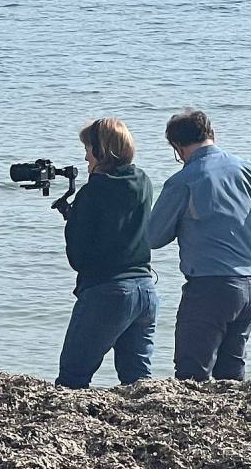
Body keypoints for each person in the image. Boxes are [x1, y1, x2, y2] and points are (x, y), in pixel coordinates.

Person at [147, 109, 251, 382]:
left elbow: (153, 237)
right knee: (232, 378)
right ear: (212, 134)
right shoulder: (250, 169)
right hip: (249, 286)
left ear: (177, 147)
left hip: (208, 289)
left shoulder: (182, 181)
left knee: (191, 377)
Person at [54, 117, 158, 388]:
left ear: (102, 151)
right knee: (139, 383)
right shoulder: (143, 181)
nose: (85, 156)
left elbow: (78, 257)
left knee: (72, 378)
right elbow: (117, 224)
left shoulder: (93, 191)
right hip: (145, 290)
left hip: (107, 291)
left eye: (88, 149)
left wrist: (75, 219)